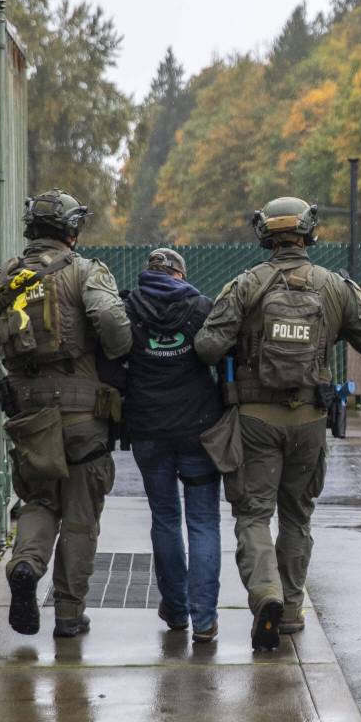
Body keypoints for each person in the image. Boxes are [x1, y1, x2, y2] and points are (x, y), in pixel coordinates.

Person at [193, 197, 361, 650]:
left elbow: (206, 347)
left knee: (254, 514)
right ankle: (291, 609)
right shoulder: (333, 287)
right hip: (310, 421)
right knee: (298, 517)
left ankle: (265, 593)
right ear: (309, 232)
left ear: (265, 234)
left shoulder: (246, 285)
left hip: (255, 419)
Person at [0, 190, 132, 637]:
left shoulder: (0, 279)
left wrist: (0, 382)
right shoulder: (86, 272)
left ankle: (25, 564)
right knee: (79, 516)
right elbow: (112, 324)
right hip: (82, 416)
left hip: (29, 413)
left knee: (39, 500)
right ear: (72, 230)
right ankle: (69, 615)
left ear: (31, 229)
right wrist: (115, 352)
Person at [121, 248, 224, 642]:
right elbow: (219, 354)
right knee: (203, 522)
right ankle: (205, 620)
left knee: (164, 519)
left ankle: (176, 611)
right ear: (180, 274)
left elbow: (114, 356)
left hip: (149, 430)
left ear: (149, 273)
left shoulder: (128, 309)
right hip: (198, 428)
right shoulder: (201, 308)